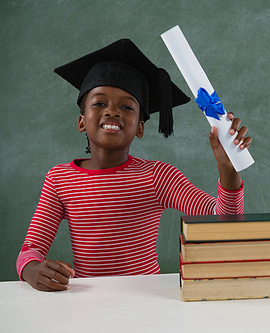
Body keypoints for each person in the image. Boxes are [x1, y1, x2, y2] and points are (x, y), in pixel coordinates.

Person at [16, 39, 252, 291]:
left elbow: (223, 221)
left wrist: (228, 171)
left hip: (147, 300)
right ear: (82, 121)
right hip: (87, 303)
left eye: (127, 106)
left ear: (140, 127)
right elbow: (32, 248)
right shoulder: (60, 179)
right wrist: (32, 270)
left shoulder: (158, 177)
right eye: (99, 103)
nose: (112, 112)